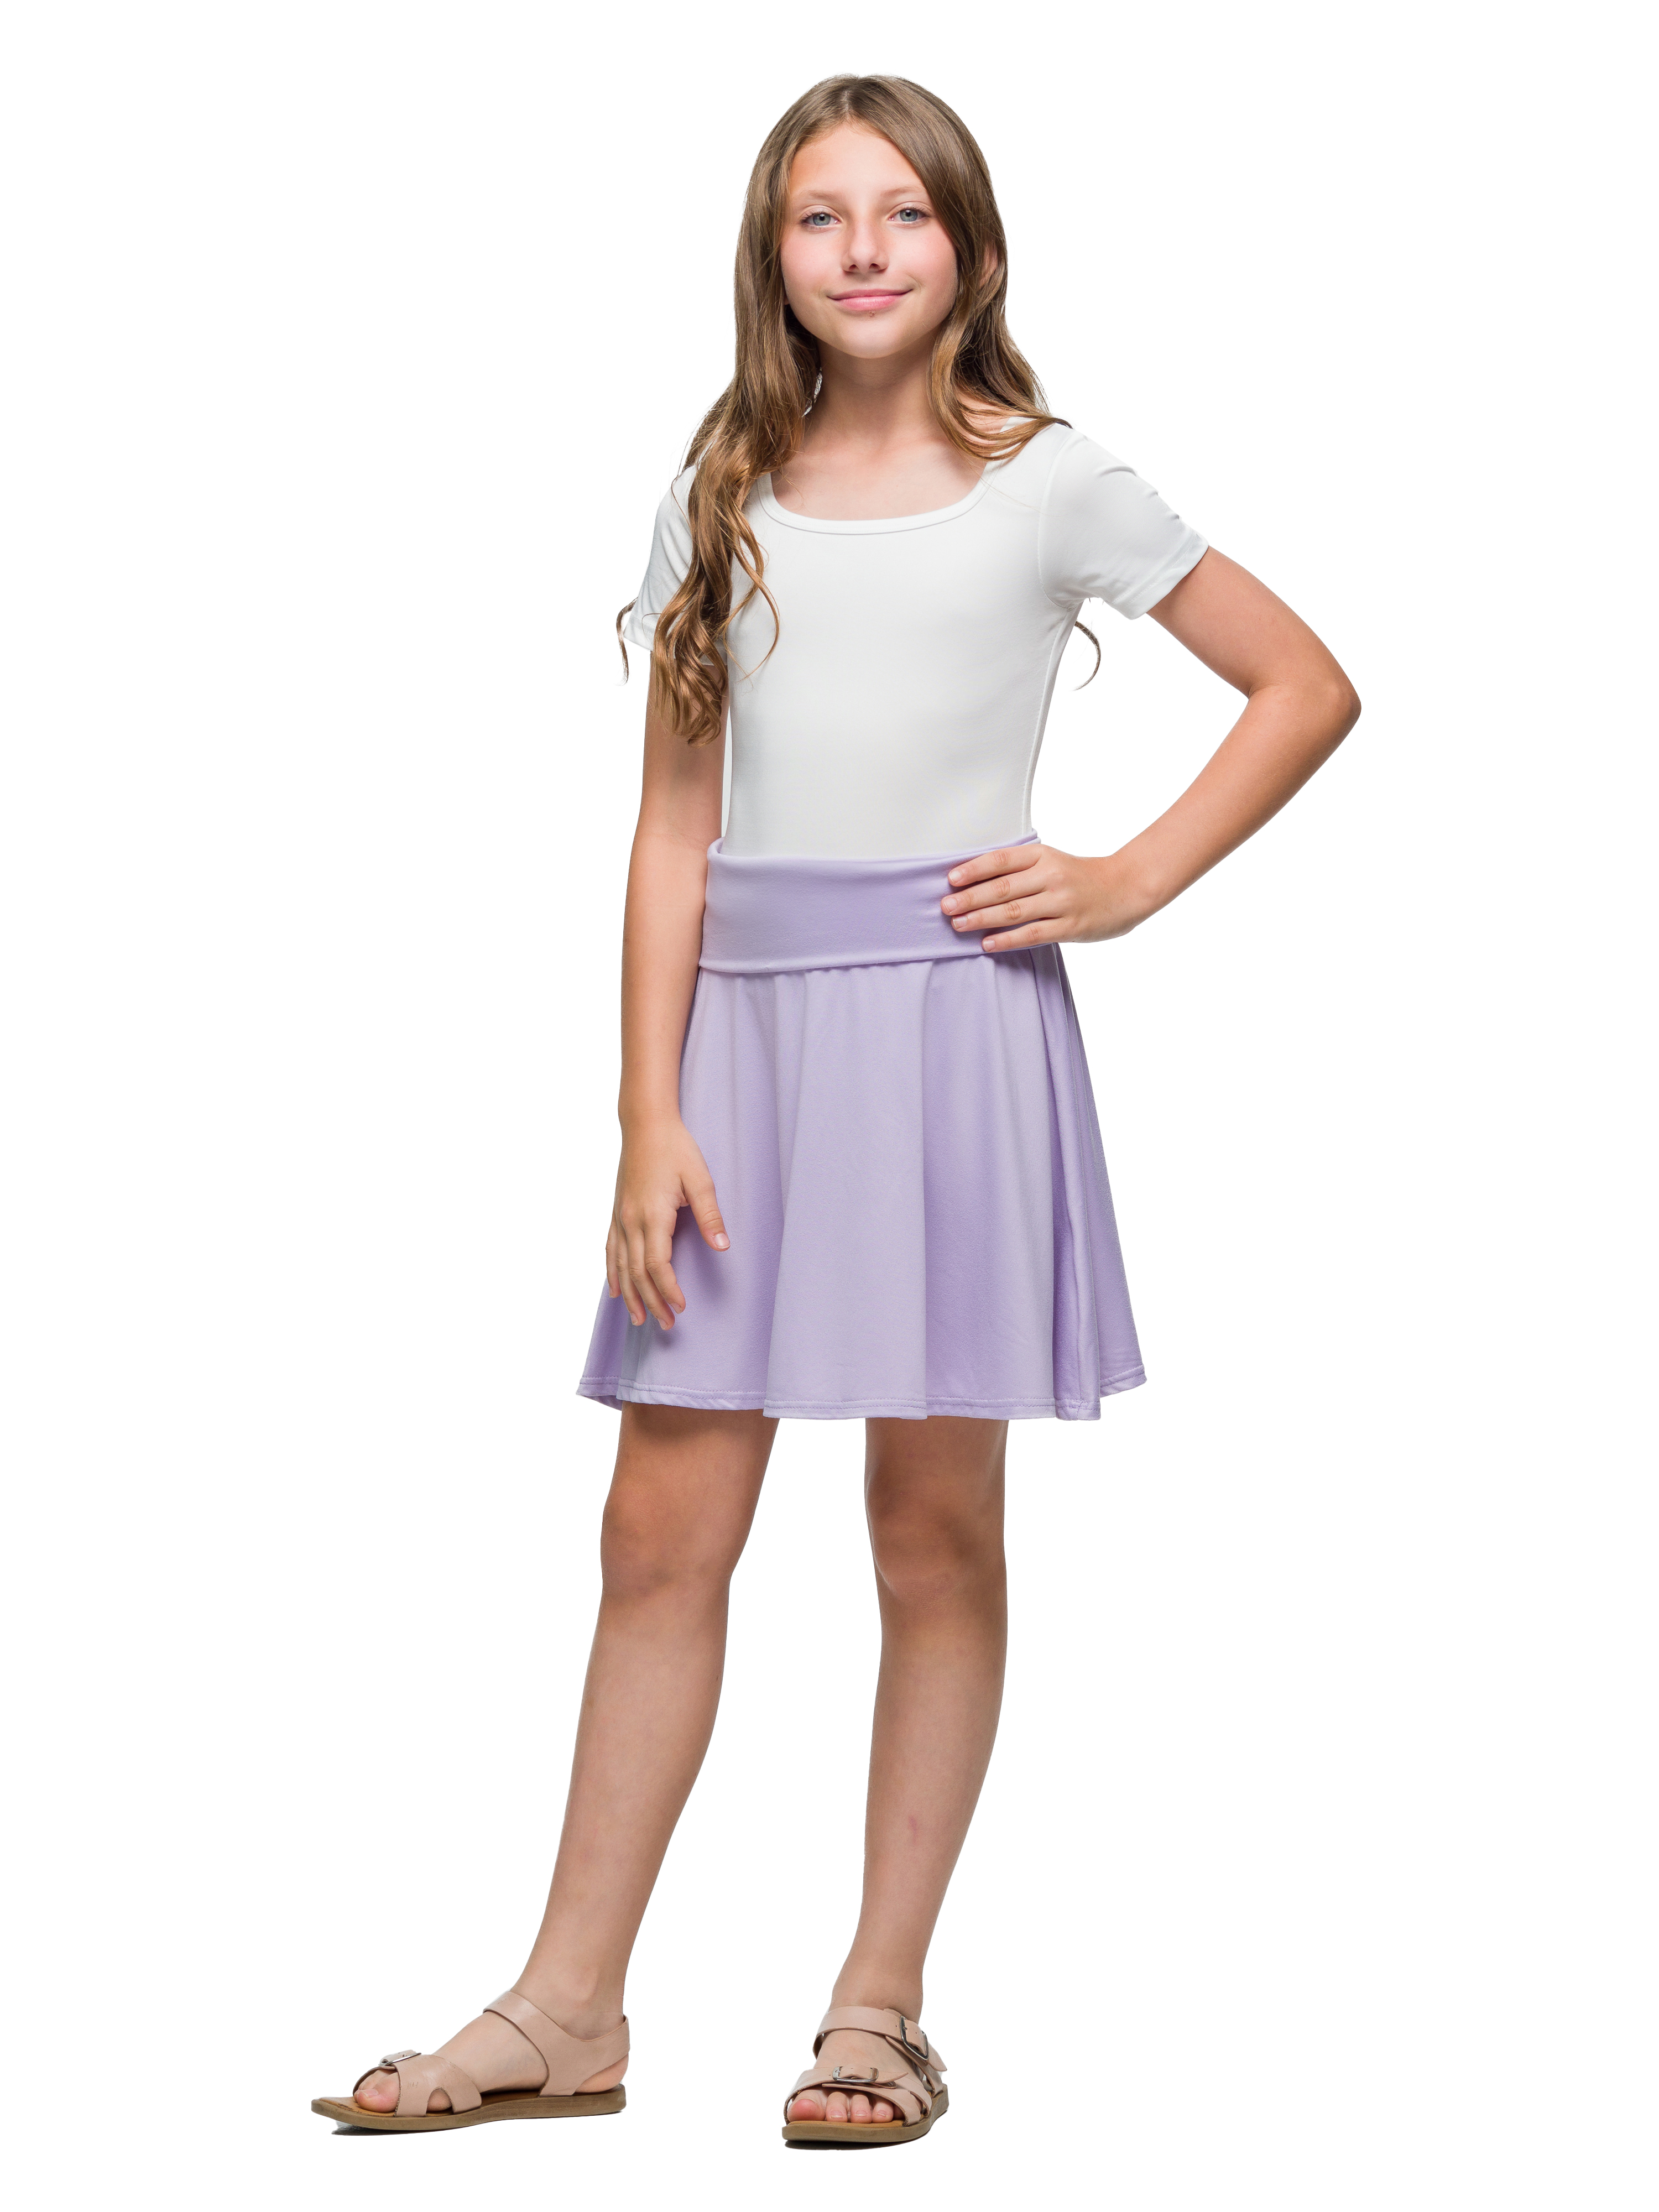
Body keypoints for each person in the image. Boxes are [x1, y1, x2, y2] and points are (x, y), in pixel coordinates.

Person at [311, 72, 1359, 2147]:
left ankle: (878, 2011)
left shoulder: (1052, 483)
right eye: (820, 215)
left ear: (970, 246)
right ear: (771, 253)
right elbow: (671, 829)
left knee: (931, 1525)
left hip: (953, 1035)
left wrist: (1126, 879)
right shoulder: (722, 490)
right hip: (746, 1054)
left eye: (903, 212)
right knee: (660, 1522)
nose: (863, 248)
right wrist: (647, 1112)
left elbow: (1305, 682)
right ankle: (567, 2008)